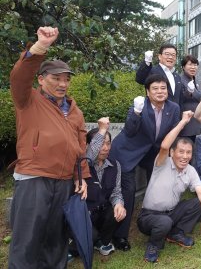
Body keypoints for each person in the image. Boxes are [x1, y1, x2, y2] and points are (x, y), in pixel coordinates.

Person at [8, 26, 88, 268]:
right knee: (28, 240)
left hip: (64, 182)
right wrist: (41, 46)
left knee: (56, 240)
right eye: (56, 78)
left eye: (66, 79)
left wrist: (81, 176)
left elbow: (80, 146)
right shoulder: (27, 99)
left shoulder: (75, 111)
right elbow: (19, 76)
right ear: (41, 80)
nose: (62, 84)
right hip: (34, 178)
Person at [108, 74, 181, 251]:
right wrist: (137, 112)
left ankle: (160, 221)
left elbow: (172, 133)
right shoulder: (139, 105)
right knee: (129, 189)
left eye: (163, 88)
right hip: (127, 152)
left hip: (152, 152)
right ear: (147, 92)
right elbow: (130, 131)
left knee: (160, 182)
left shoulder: (173, 108)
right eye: (155, 89)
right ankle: (120, 236)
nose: (160, 91)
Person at [137, 110, 201, 263]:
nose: (185, 156)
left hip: (171, 213)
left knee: (199, 202)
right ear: (172, 153)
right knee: (164, 222)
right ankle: (154, 244)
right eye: (181, 152)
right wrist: (183, 122)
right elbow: (164, 146)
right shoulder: (162, 163)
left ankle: (175, 233)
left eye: (188, 153)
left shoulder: (190, 170)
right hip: (149, 217)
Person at [85, 118, 127, 256]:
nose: (105, 148)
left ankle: (102, 241)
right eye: (101, 144)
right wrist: (102, 129)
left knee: (117, 212)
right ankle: (92, 240)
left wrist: (119, 204)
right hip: (86, 214)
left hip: (102, 212)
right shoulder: (84, 164)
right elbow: (90, 155)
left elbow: (116, 192)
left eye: (108, 143)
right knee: (88, 238)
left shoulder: (115, 165)